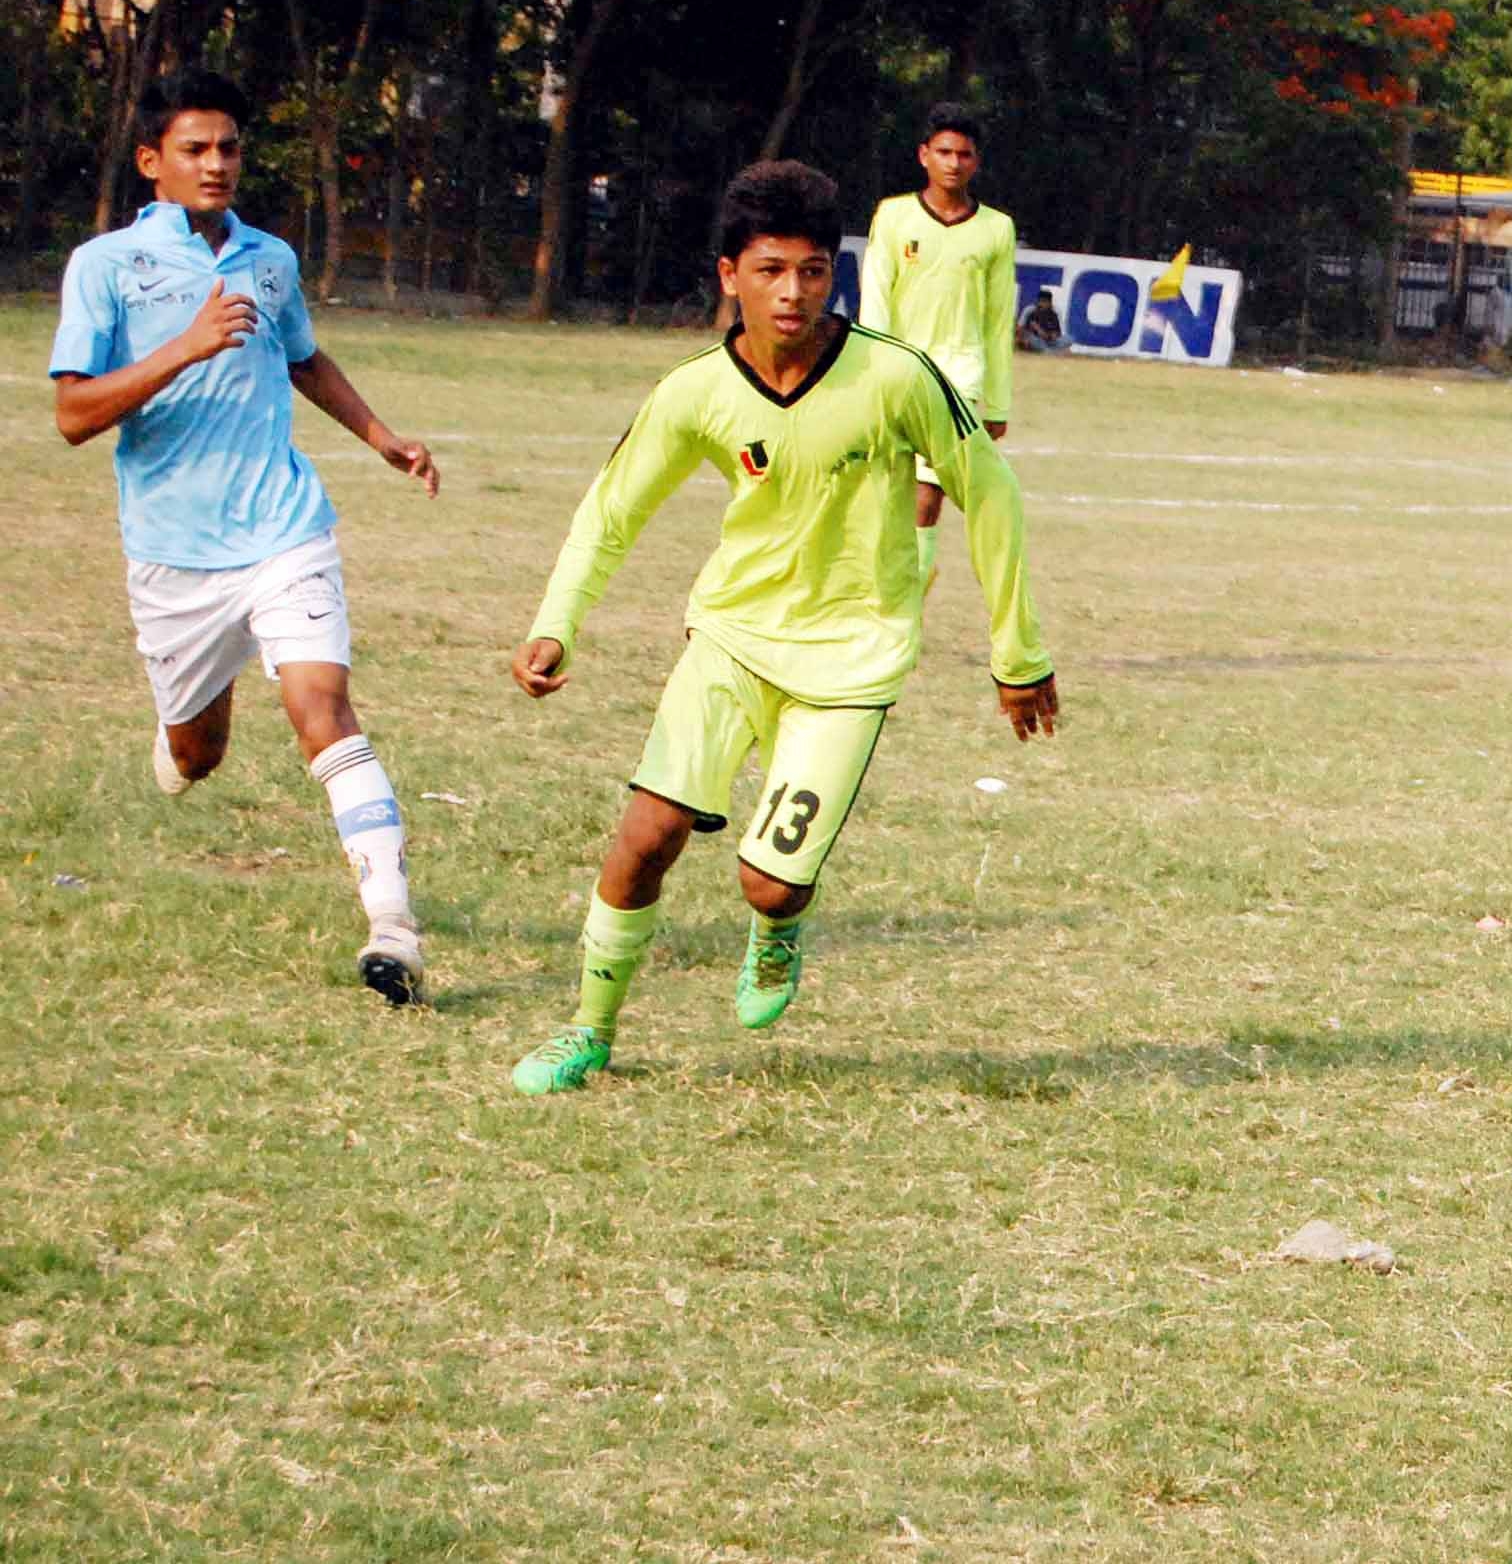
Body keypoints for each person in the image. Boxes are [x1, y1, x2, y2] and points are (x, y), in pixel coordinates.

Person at [505, 159, 1059, 1098]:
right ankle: (588, 1030)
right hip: (730, 638)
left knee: (769, 884)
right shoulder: (695, 392)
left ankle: (777, 924)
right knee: (645, 836)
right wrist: (556, 622)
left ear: (832, 275)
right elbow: (612, 511)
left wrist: (1019, 655)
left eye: (810, 270)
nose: (792, 292)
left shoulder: (895, 377)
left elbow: (990, 494)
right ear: (729, 275)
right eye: (769, 270)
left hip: (851, 659)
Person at [49, 69, 441, 1005]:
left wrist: (380, 435)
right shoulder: (103, 267)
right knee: (198, 757)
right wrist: (182, 346)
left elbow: (301, 356)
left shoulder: (270, 258)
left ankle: (393, 924)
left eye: (228, 147)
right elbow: (71, 415)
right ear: (152, 163)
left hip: (283, 527)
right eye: (194, 149)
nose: (216, 163)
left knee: (324, 707)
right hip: (173, 554)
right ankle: (184, 723)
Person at [859, 103, 1018, 593]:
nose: (954, 163)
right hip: (897, 373)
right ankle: (889, 580)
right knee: (888, 494)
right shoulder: (893, 215)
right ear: (923, 155)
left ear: (977, 162)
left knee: (928, 498)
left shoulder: (996, 229)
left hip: (959, 379)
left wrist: (997, 401)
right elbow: (875, 298)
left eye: (964, 154)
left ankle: (908, 596)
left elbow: (996, 320)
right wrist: (871, 373)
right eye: (944, 152)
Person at [1016, 289, 1066, 353]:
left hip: (1048, 341)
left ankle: (1049, 350)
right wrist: (1023, 337)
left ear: (1050, 303)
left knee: (1068, 339)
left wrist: (1049, 335)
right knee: (1033, 340)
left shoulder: (1055, 312)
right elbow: (1019, 328)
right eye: (1039, 301)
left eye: (1044, 302)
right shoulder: (1029, 310)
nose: (1041, 304)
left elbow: (1058, 333)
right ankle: (1048, 351)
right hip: (1033, 339)